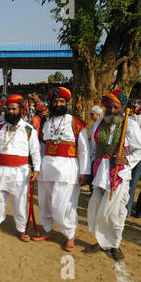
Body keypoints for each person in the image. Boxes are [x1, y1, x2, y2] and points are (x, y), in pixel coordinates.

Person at [85, 90, 141, 260]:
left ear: (122, 107)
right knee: (97, 208)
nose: (111, 110)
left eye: (115, 106)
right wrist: (89, 170)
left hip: (119, 174)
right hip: (99, 173)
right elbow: (93, 150)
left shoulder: (130, 125)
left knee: (115, 212)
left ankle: (115, 244)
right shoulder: (98, 124)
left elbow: (139, 151)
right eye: (108, 106)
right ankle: (100, 241)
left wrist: (126, 160)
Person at [36, 87, 90, 252]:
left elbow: (84, 149)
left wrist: (84, 172)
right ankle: (48, 230)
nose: (58, 104)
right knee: (45, 202)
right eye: (55, 101)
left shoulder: (76, 123)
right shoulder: (46, 123)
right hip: (46, 168)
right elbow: (41, 147)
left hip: (67, 169)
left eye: (61, 102)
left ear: (67, 103)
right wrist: (37, 168)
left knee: (63, 205)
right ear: (51, 103)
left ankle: (69, 235)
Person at [0, 95, 41, 241]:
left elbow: (35, 151)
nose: (10, 112)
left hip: (19, 171)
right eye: (8, 109)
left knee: (19, 200)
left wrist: (37, 169)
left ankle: (21, 229)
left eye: (14, 109)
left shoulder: (29, 130)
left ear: (20, 110)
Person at [126, 101, 141, 218]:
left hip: (139, 154)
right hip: (140, 153)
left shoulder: (139, 119)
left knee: (132, 183)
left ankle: (126, 211)